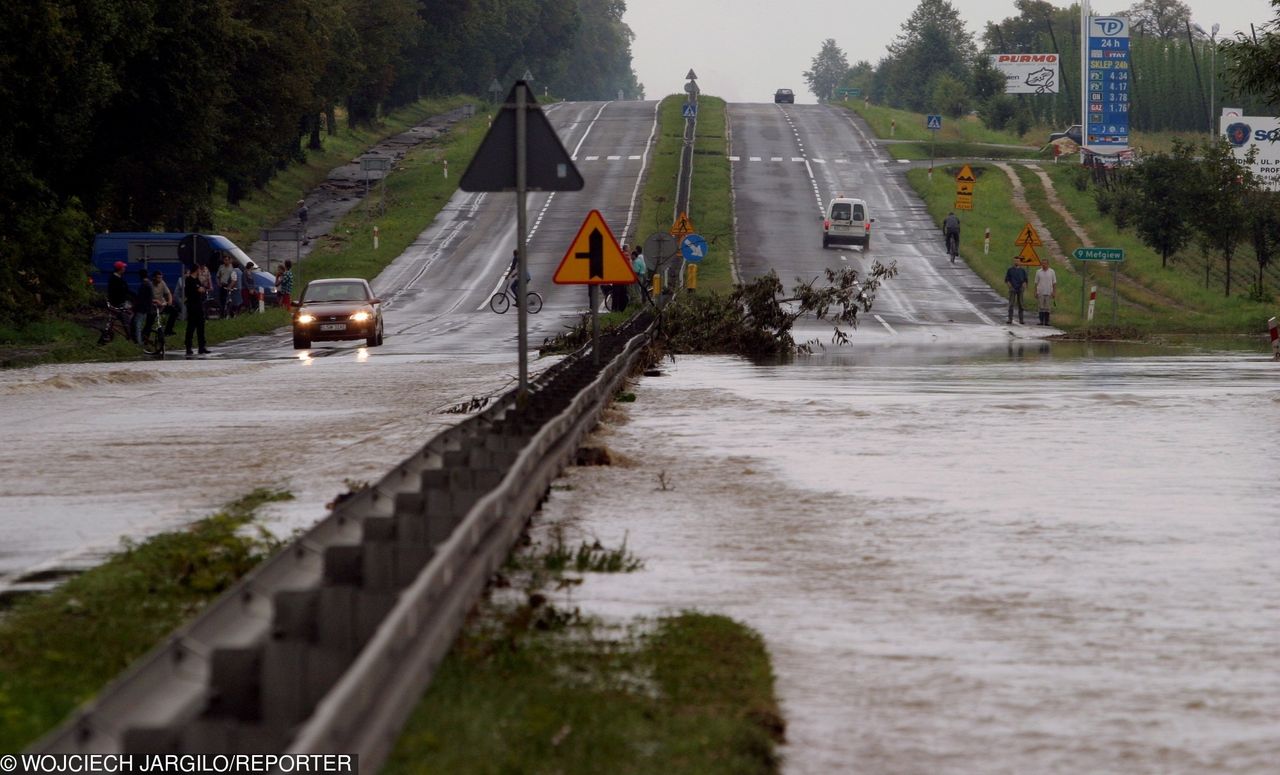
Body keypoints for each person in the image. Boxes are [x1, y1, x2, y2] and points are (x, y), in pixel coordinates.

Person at [184, 263, 210, 356]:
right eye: (199, 270)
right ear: (196, 270)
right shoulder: (189, 280)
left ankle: (202, 347)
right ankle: (188, 347)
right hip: (192, 306)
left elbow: (202, 289)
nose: (200, 272)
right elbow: (197, 290)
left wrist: (201, 289)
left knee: (201, 326)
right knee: (191, 327)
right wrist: (199, 289)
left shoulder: (197, 280)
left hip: (199, 305)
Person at [150, 270, 178, 337]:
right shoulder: (150, 285)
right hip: (154, 306)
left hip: (162, 304)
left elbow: (168, 293)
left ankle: (168, 330)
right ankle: (146, 333)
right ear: (154, 278)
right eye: (158, 278)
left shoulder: (162, 283)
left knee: (174, 312)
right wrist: (155, 301)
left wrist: (170, 300)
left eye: (161, 277)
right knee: (151, 320)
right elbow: (148, 298)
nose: (160, 279)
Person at [1004, 257, 1029, 325]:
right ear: (1013, 262)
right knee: (1011, 304)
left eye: (1018, 261)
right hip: (1012, 288)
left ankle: (1021, 319)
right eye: (1015, 261)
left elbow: (1025, 280)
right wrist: (1010, 287)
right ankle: (1010, 319)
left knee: (1021, 304)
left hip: (1020, 289)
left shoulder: (1022, 270)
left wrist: (1023, 287)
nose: (1016, 262)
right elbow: (1007, 280)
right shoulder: (1010, 270)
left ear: (1020, 262)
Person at [132, 268, 154, 344]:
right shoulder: (149, 283)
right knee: (138, 323)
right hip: (147, 308)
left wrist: (135, 307)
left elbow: (141, 298)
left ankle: (139, 341)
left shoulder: (144, 285)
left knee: (137, 324)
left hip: (142, 308)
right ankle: (140, 339)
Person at [1035, 261, 1057, 326]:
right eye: (1043, 263)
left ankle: (1047, 321)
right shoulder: (1038, 272)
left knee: (1047, 308)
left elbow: (1054, 283)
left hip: (1049, 291)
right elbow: (1036, 282)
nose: (1044, 265)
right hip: (1040, 291)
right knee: (1041, 307)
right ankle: (1041, 321)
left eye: (1045, 263)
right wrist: (1035, 291)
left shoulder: (1052, 272)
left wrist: (1054, 292)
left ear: (1048, 264)